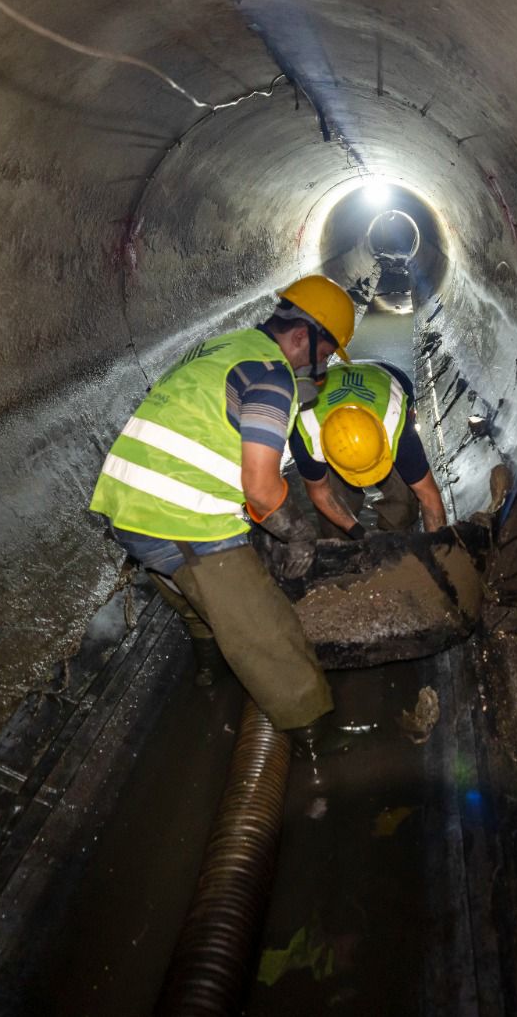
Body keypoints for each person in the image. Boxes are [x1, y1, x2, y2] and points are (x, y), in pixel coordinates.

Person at [87, 275, 355, 743]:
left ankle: (210, 669)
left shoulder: (222, 345)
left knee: (191, 593)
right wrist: (298, 535)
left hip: (124, 504)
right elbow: (261, 488)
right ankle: (315, 737)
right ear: (301, 338)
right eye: (326, 354)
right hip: (180, 514)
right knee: (269, 637)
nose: (323, 367)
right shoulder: (273, 377)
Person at [288, 359, 447, 538]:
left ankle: (399, 540)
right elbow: (320, 492)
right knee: (334, 522)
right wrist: (358, 532)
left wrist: (437, 550)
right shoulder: (306, 435)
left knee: (403, 503)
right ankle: (342, 549)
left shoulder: (397, 427)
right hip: (331, 386)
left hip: (383, 376)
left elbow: (428, 496)